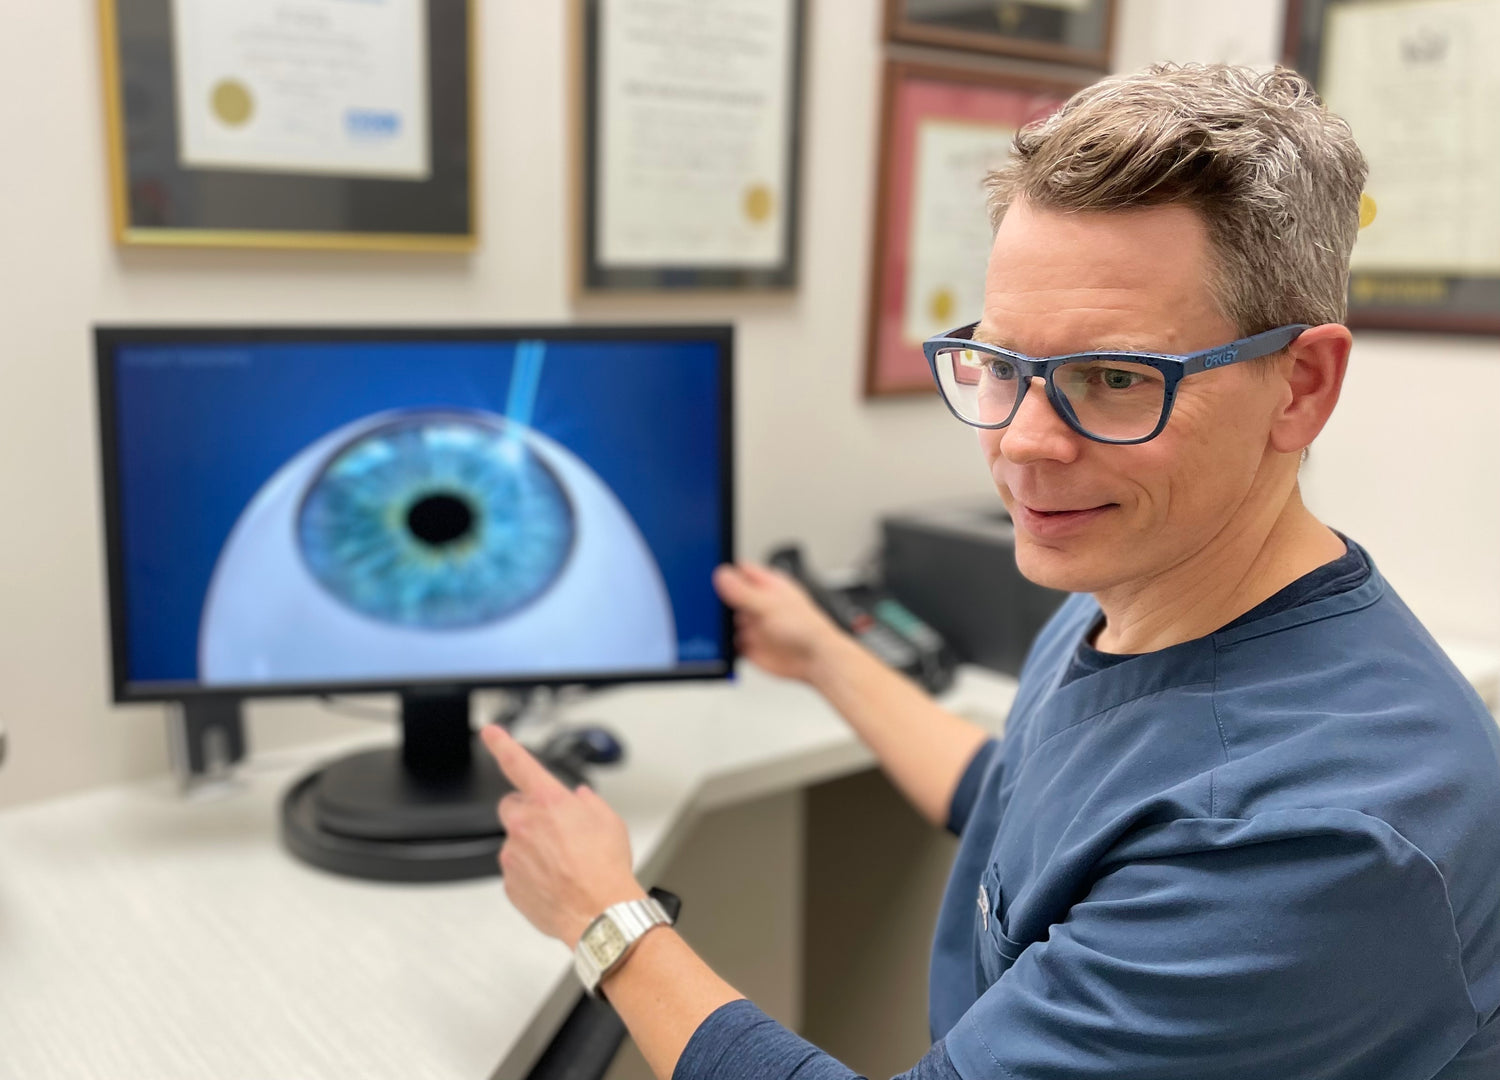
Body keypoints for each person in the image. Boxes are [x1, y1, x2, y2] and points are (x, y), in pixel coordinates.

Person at [480, 63, 1500, 1078]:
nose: (1023, 446)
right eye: (1001, 365)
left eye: (1113, 379)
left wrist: (605, 916)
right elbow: (1020, 806)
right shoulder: (1143, 582)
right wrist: (829, 657)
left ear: (1302, 386)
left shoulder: (1313, 839)